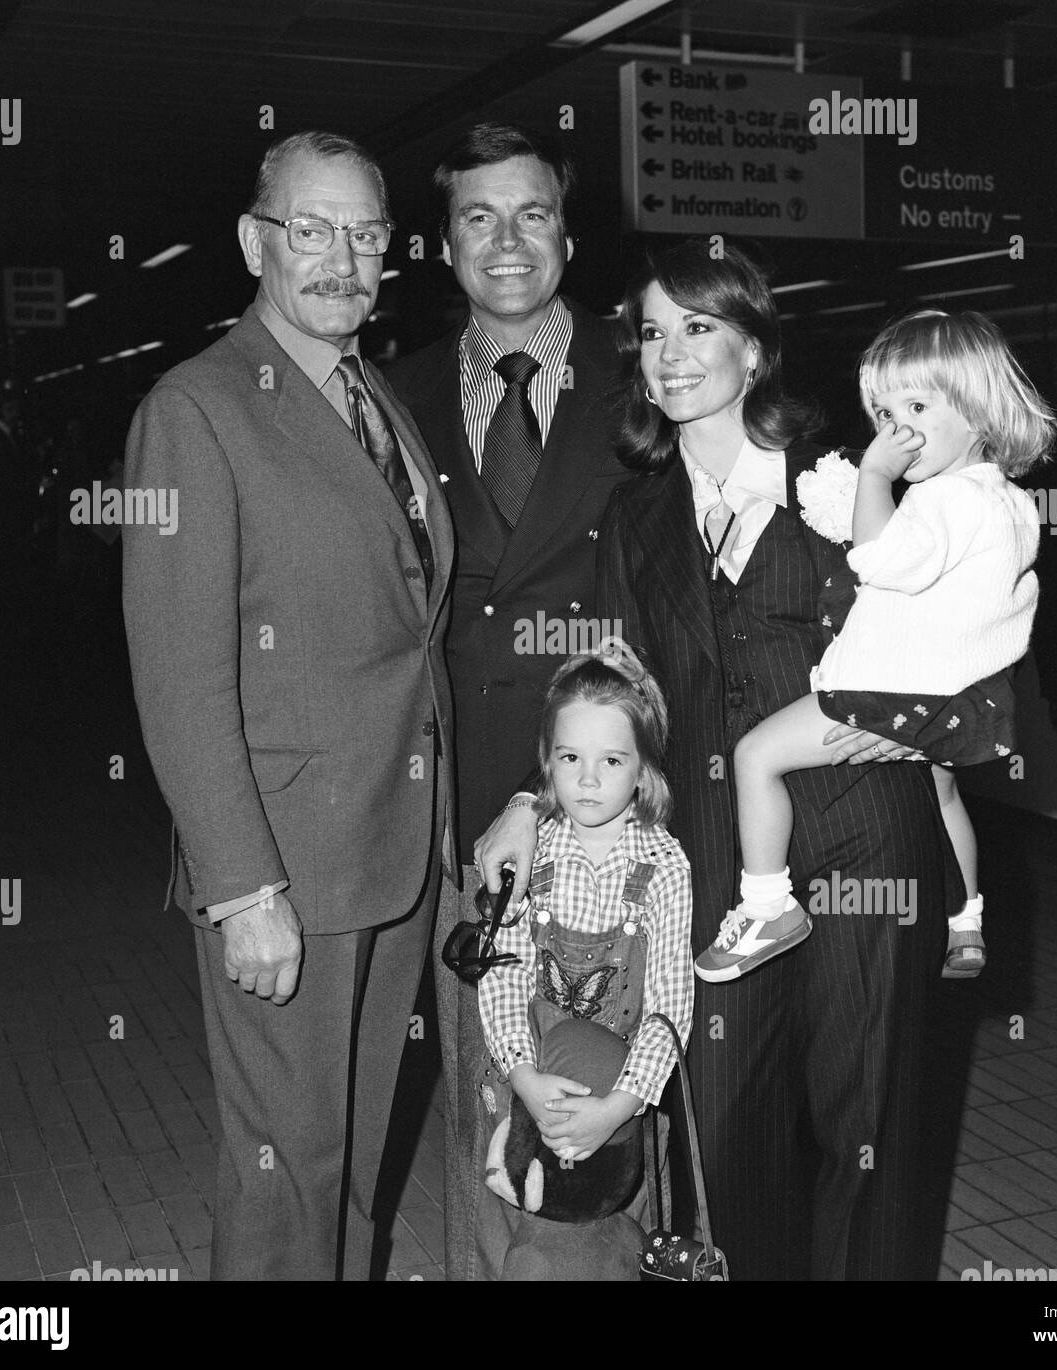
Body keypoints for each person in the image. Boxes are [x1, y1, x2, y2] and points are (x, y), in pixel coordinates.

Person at [479, 239, 972, 1280]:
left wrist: (924, 708)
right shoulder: (635, 515)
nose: (669, 353)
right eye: (651, 332)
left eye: (697, 326)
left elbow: (954, 615)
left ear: (753, 348)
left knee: (867, 1127)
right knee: (734, 1137)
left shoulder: (844, 482)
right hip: (715, 869)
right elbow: (612, 692)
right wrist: (535, 797)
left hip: (866, 837)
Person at [122, 129, 455, 1279]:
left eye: (366, 234)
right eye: (310, 230)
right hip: (287, 864)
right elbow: (177, 671)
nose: (342, 259)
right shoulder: (197, 408)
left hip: (396, 846)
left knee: (355, 1158)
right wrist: (240, 884)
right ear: (254, 241)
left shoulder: (376, 393)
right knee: (285, 1168)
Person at [383, 121, 632, 1280]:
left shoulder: (647, 375)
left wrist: (551, 793)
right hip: (450, 807)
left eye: (531, 212)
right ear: (442, 246)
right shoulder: (398, 393)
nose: (507, 239)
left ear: (567, 232)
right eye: (477, 217)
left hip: (605, 796)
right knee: (487, 1083)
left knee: (598, 1083)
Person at [698, 310, 1055, 985]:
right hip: (962, 700)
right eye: (885, 412)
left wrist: (870, 478)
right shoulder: (1010, 502)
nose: (897, 430)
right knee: (944, 796)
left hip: (888, 692)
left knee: (756, 756)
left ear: (979, 409)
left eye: (918, 405)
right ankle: (967, 919)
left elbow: (880, 559)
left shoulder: (940, 499)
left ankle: (766, 904)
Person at [475, 641, 692, 1263]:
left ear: (643, 770)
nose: (588, 779)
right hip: (529, 1080)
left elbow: (669, 1010)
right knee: (518, 1226)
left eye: (612, 760)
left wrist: (617, 1106)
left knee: (610, 1239)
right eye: (570, 757)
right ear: (547, 761)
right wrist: (523, 1075)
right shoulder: (531, 853)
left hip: (620, 1099)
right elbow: (504, 973)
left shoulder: (664, 866)